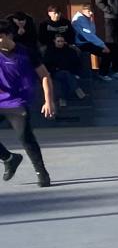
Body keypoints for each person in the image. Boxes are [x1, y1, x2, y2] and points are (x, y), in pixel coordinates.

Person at [0, 18, 55, 187]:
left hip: (18, 102)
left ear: (6, 36)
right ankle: (9, 159)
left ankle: (41, 172)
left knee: (25, 137)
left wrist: (48, 101)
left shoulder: (27, 53)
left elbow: (44, 76)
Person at [43, 33, 89, 102]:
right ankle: (78, 91)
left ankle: (63, 99)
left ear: (64, 42)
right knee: (65, 74)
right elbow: (47, 64)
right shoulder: (50, 51)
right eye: (58, 41)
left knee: (65, 78)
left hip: (69, 72)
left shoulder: (70, 51)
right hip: (55, 72)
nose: (60, 43)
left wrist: (76, 73)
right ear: (54, 41)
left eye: (62, 41)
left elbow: (76, 63)